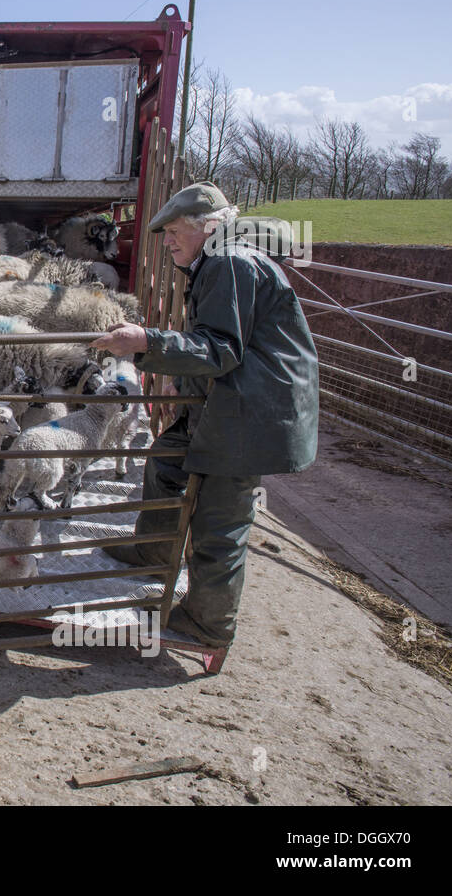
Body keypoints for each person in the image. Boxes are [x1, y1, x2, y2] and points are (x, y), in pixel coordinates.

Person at [90, 182, 319, 657]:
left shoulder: (231, 263)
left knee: (220, 522)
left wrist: (147, 344)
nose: (168, 241)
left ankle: (207, 623)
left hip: (250, 417)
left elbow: (221, 348)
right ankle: (155, 550)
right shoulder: (219, 262)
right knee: (165, 460)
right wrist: (183, 377)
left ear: (207, 228)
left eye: (175, 231)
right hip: (228, 402)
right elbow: (228, 341)